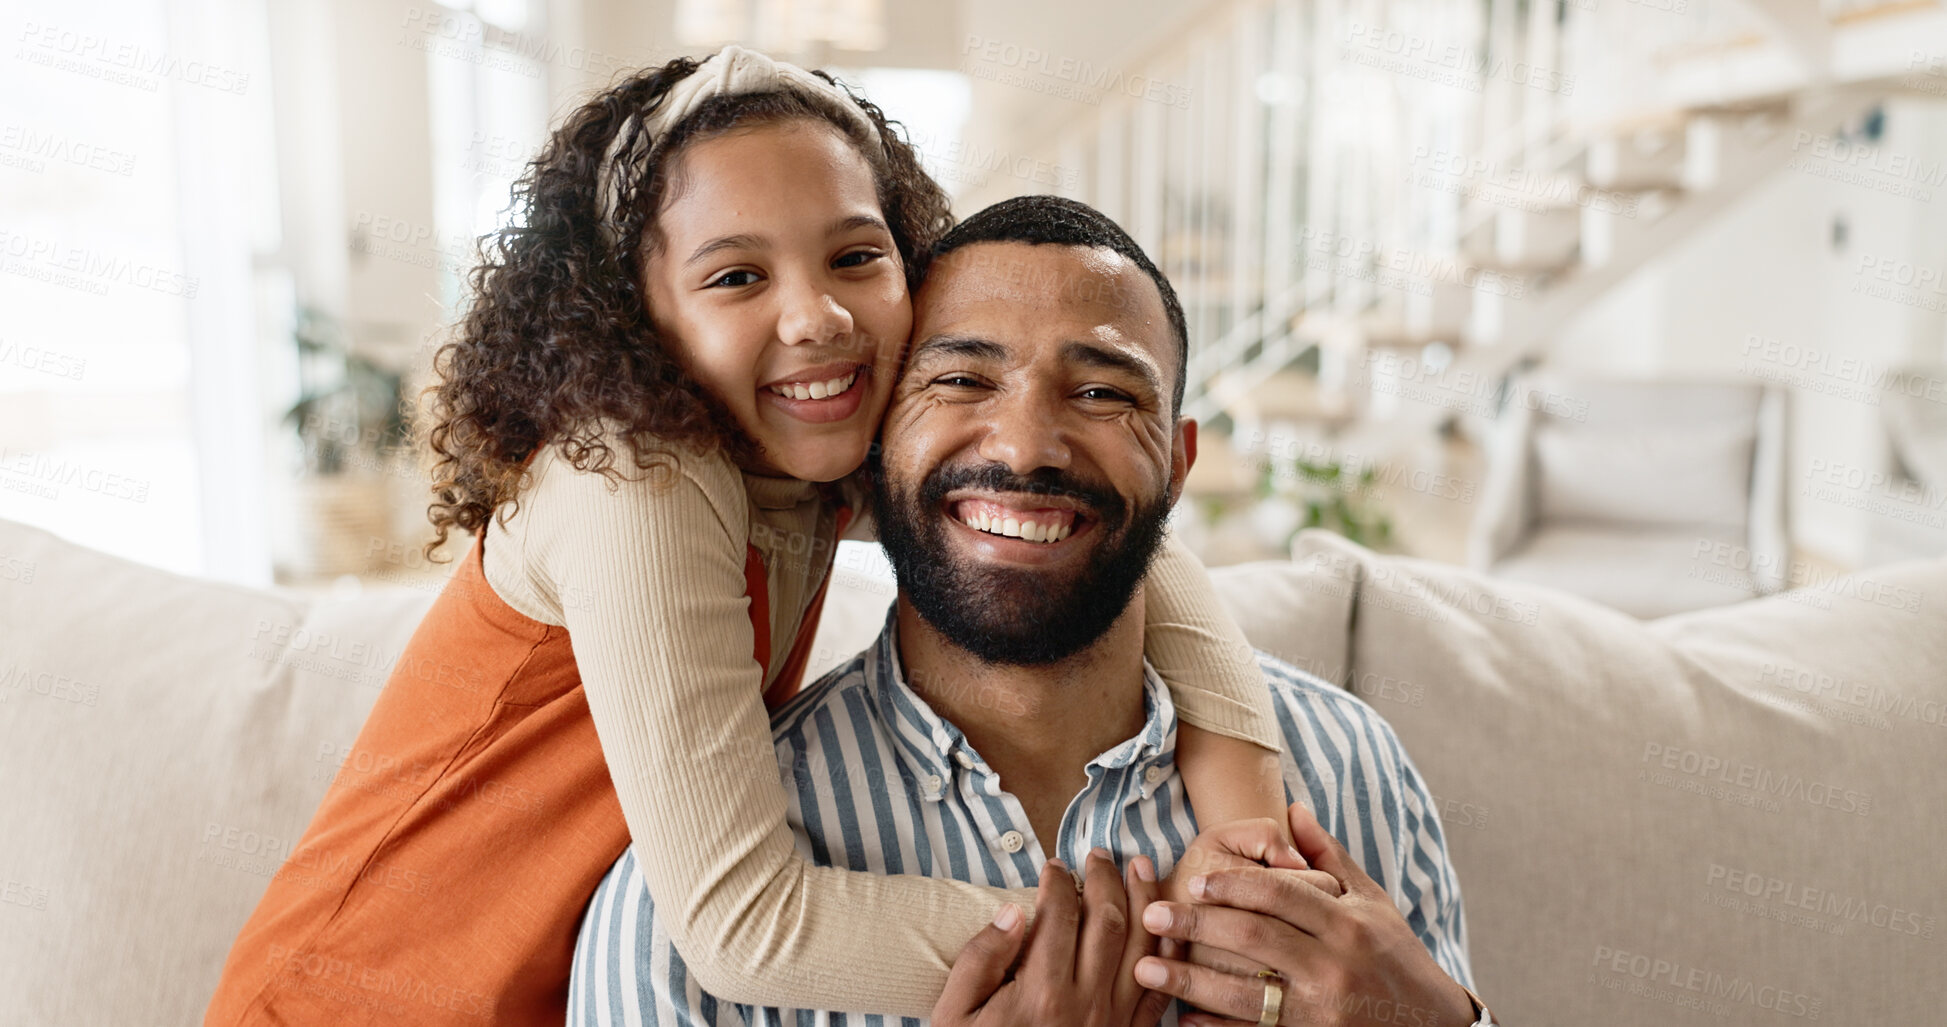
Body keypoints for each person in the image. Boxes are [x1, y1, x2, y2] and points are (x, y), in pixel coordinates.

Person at [206, 48, 1292, 1026]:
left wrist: (1248, 825)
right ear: (637, 315)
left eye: (856, 257)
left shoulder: (795, 444)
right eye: (736, 276)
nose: (814, 315)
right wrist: (1165, 948)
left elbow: (1114, 537)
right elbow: (743, 923)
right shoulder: (638, 477)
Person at [570, 195, 1494, 1026]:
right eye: (962, 380)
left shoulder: (1353, 773)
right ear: (870, 449)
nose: (1025, 448)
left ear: (1176, 463)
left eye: (1100, 392)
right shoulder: (685, 902)